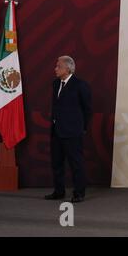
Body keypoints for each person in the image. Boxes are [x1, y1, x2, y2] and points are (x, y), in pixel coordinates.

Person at [45, 56, 92, 203]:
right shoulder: (55, 84)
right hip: (56, 131)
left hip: (73, 132)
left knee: (76, 164)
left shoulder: (80, 85)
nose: (55, 68)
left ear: (67, 68)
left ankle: (79, 193)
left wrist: (82, 128)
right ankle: (59, 191)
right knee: (57, 163)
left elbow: (87, 109)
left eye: (58, 66)